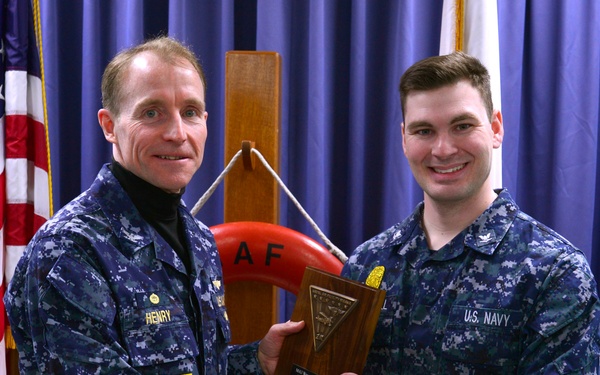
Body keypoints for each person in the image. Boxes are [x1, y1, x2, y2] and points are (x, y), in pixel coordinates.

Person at [4, 36, 304, 374]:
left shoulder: (199, 240)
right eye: (152, 113)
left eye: (190, 112)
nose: (177, 133)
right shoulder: (69, 250)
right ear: (109, 126)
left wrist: (257, 362)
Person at [341, 51, 600, 374]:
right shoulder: (367, 263)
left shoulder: (554, 272)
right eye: (424, 131)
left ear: (495, 128)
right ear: (404, 138)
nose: (443, 149)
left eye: (462, 126)